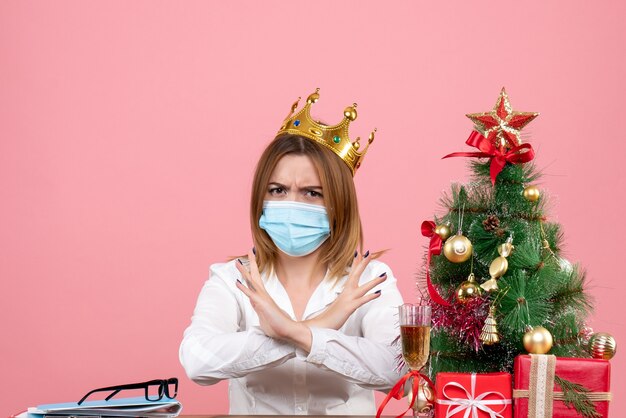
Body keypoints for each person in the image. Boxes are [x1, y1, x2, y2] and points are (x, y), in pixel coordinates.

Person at [179, 89, 404, 415]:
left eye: (312, 193)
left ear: (338, 204)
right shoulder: (232, 279)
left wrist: (295, 332)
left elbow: (398, 370)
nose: (292, 204)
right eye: (278, 190)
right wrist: (321, 326)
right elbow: (197, 359)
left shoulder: (370, 279)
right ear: (261, 197)